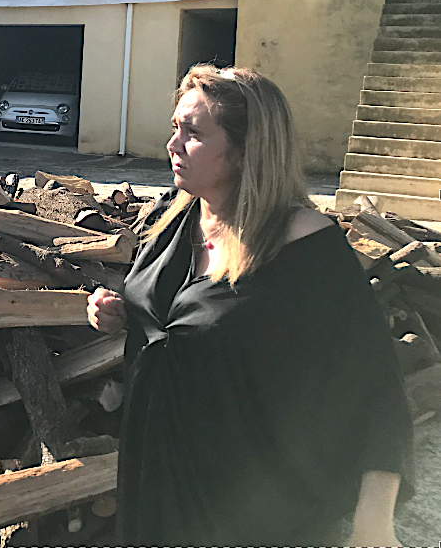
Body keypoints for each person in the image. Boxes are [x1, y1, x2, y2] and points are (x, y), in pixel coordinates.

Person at [86, 65, 412, 546]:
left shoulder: (304, 248)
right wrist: (114, 311)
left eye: (192, 133)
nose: (172, 146)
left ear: (243, 152)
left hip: (256, 506)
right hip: (155, 488)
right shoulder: (174, 222)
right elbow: (177, 321)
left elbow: (375, 387)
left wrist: (373, 525)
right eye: (175, 128)